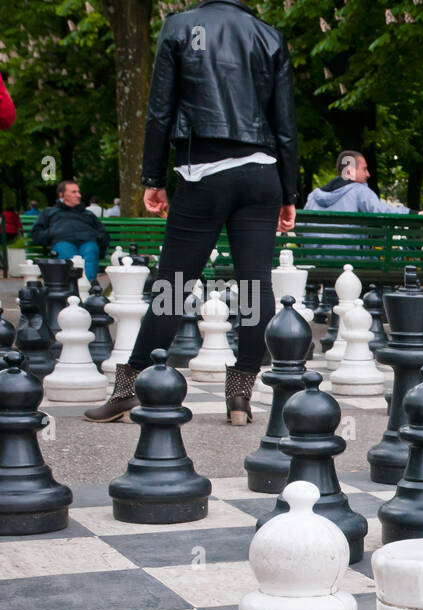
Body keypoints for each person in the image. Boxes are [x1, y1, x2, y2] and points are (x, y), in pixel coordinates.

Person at [85, 0, 298, 426]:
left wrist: (153, 178)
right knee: (256, 284)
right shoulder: (270, 35)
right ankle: (240, 397)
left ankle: (129, 389)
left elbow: (160, 109)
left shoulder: (179, 27)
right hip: (262, 175)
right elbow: (285, 122)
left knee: (174, 284)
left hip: (203, 173)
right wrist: (289, 192)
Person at [305, 150, 423, 219]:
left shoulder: (313, 197)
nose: (368, 174)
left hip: (316, 260)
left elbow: (300, 230)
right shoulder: (358, 190)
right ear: (350, 171)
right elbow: (383, 211)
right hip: (351, 263)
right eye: (364, 169)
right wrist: (414, 214)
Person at [28, 180, 110, 280]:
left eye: (78, 192)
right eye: (73, 192)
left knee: (91, 250)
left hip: (87, 242)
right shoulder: (50, 212)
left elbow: (103, 234)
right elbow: (36, 233)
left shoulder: (88, 214)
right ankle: (73, 288)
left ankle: (89, 287)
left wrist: (96, 237)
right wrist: (53, 233)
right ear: (61, 195)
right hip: (63, 242)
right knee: (67, 254)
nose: (78, 195)